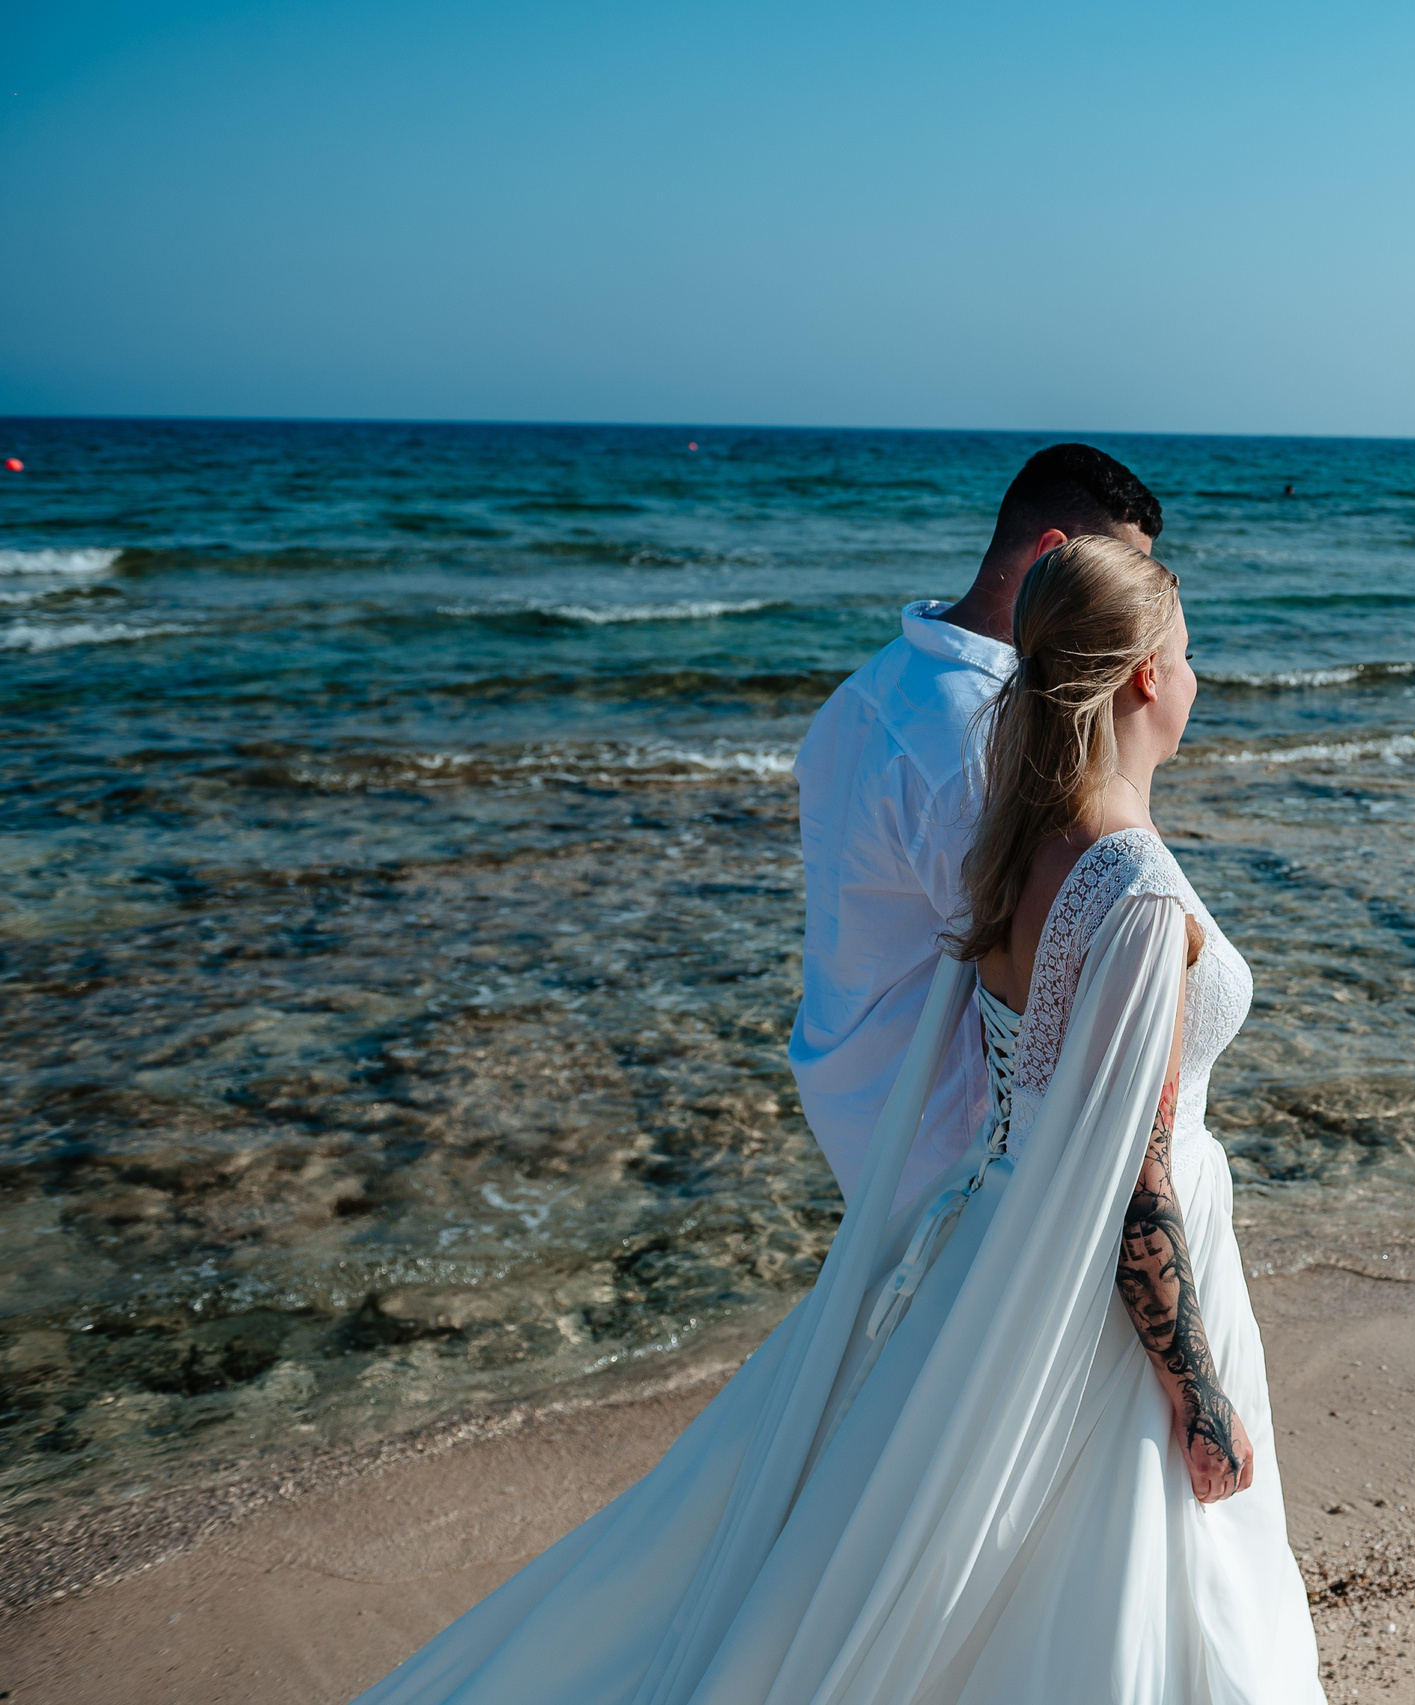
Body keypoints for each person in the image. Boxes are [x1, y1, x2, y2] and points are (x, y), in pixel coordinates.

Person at [351, 493, 1324, 1704]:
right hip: (1091, 1281)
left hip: (994, 1229)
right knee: (1131, 1578)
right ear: (1141, 679)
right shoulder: (1132, 887)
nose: (1197, 681)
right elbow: (1137, 1174)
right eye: (1186, 658)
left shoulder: (1023, 843)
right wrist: (1198, 1393)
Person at [791, 443, 1162, 1214]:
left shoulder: (868, 687)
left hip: (855, 1093)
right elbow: (1045, 974)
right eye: (1110, 578)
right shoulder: (981, 735)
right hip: (940, 1136)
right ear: (1052, 556)